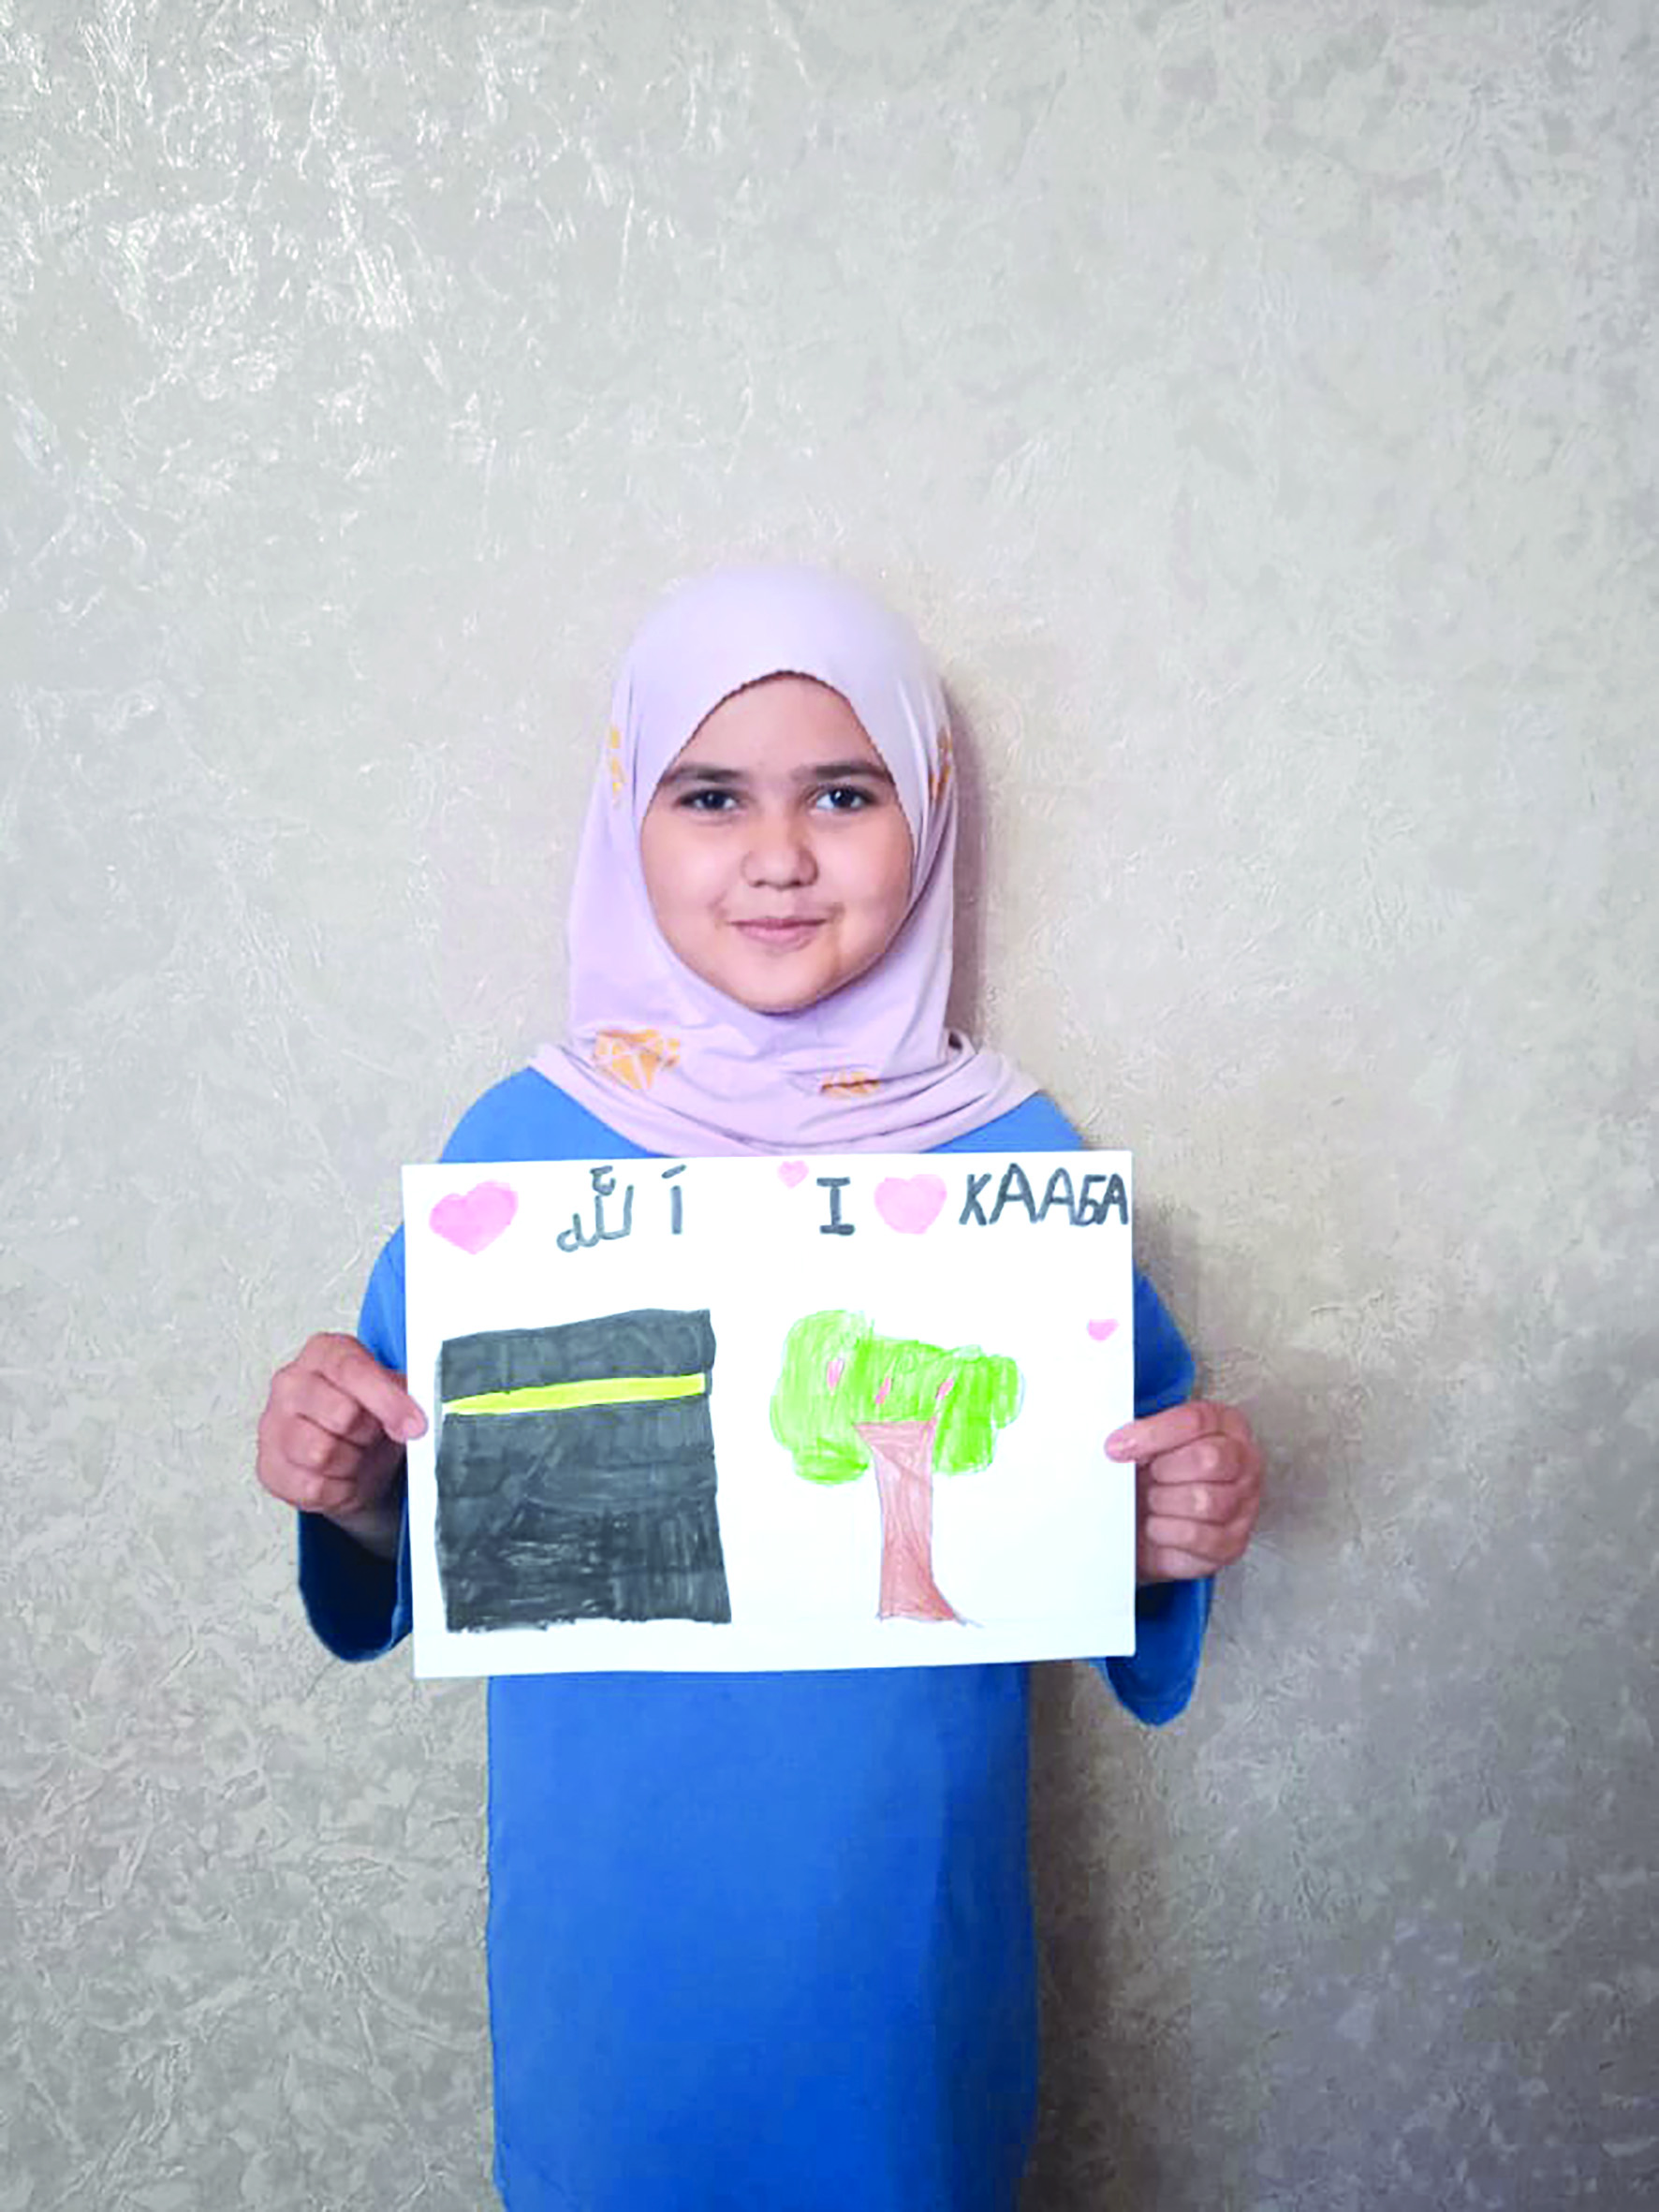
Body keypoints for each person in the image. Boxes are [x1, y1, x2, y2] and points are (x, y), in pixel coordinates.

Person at [257, 564, 1264, 2211]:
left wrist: (1178, 1516)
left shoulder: (1007, 1162)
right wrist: (350, 1486)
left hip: (901, 1921)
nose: (780, 852)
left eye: (844, 794)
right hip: (614, 1925)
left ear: (929, 809)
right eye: (712, 794)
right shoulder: (523, 1154)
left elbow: (1118, 1505)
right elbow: (412, 1503)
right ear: (625, 818)